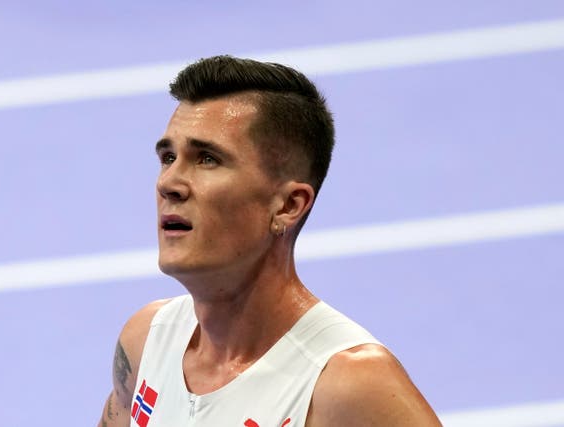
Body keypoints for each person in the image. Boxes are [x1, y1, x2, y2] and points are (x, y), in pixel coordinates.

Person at [97, 55, 442, 427]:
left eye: (207, 159)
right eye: (168, 157)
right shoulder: (147, 339)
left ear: (288, 206)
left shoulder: (347, 382)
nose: (169, 183)